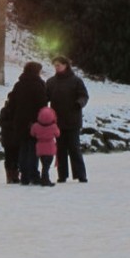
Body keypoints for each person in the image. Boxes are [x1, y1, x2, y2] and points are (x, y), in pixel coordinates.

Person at [46, 55, 89, 183]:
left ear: (66, 65)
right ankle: (62, 175)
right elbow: (45, 97)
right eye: (55, 65)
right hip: (57, 121)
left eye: (59, 65)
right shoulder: (51, 82)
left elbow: (84, 95)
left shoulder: (76, 81)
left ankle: (81, 174)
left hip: (73, 120)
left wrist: (79, 103)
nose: (57, 67)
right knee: (60, 150)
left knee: (74, 148)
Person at [7, 61, 46, 186]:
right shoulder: (39, 84)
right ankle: (33, 175)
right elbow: (42, 104)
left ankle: (24, 175)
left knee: (23, 149)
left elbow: (11, 103)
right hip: (34, 122)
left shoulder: (19, 84)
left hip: (20, 122)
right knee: (34, 149)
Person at [31, 106, 61, 186]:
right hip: (50, 148)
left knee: (44, 164)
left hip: (40, 148)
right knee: (46, 166)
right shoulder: (53, 127)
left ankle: (44, 178)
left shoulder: (36, 126)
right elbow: (58, 134)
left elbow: (32, 134)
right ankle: (45, 179)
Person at [0, 95, 20, 184]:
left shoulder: (5, 110)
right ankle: (12, 175)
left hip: (8, 138)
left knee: (11, 158)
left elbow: (1, 122)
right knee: (12, 157)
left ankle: (12, 175)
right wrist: (14, 125)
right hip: (13, 138)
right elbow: (1, 122)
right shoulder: (14, 110)